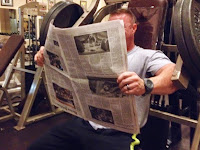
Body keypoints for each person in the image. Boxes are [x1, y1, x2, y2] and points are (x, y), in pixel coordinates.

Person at [30, 9, 178, 150]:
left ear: (133, 28)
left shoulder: (146, 55)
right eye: (109, 27)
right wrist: (47, 56)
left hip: (120, 133)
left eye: (119, 27)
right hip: (85, 123)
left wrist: (145, 85)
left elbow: (172, 75)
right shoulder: (92, 55)